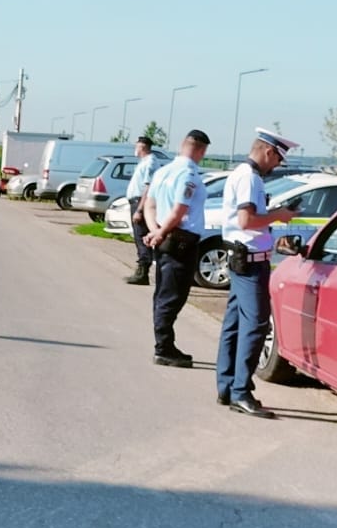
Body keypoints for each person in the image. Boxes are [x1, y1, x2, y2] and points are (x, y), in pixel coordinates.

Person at [211, 127, 300, 418]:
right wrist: (279, 215)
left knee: (235, 325)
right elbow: (247, 220)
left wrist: (272, 223)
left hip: (244, 258)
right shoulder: (249, 178)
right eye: (277, 160)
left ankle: (227, 387)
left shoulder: (242, 175)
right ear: (268, 151)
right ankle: (240, 391)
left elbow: (248, 221)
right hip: (250, 262)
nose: (276, 166)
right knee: (256, 326)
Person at [141, 130, 209, 367]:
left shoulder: (162, 171)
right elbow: (180, 210)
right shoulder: (188, 174)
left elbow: (150, 205)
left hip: (165, 238)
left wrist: (154, 231)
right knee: (172, 296)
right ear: (201, 150)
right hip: (180, 241)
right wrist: (160, 233)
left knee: (163, 292)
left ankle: (165, 344)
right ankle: (164, 347)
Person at [122, 136, 168, 285]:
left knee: (141, 236)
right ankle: (142, 270)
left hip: (140, 203)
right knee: (138, 236)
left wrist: (140, 210)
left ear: (142, 147)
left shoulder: (150, 163)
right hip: (136, 202)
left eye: (137, 146)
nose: (135, 149)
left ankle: (143, 272)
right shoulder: (144, 162)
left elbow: (148, 188)